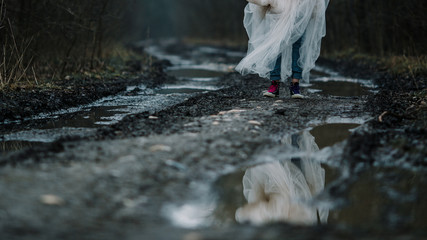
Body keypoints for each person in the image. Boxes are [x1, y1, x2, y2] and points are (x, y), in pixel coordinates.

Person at [235, 0, 330, 99]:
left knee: (298, 44)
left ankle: (295, 84)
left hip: (302, 6)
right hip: (281, 7)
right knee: (276, 44)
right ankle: (275, 83)